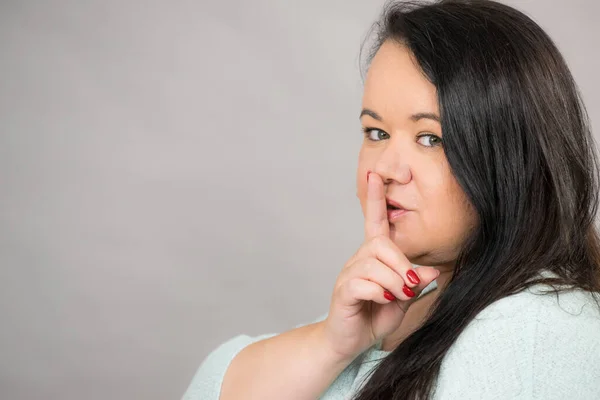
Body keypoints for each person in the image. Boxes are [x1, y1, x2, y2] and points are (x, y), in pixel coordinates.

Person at [183, 0, 600, 398]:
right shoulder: (383, 317)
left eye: (430, 138)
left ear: (513, 158)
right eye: (376, 133)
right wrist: (330, 344)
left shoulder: (535, 329)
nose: (385, 170)